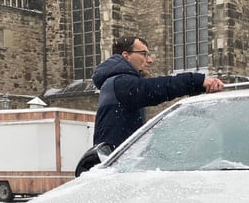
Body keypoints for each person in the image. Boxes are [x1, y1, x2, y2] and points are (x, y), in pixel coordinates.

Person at [75, 37, 224, 175]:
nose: (150, 60)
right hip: (117, 171)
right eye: (144, 54)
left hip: (118, 165)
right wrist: (197, 81)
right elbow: (158, 88)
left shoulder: (114, 82)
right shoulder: (120, 83)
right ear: (126, 55)